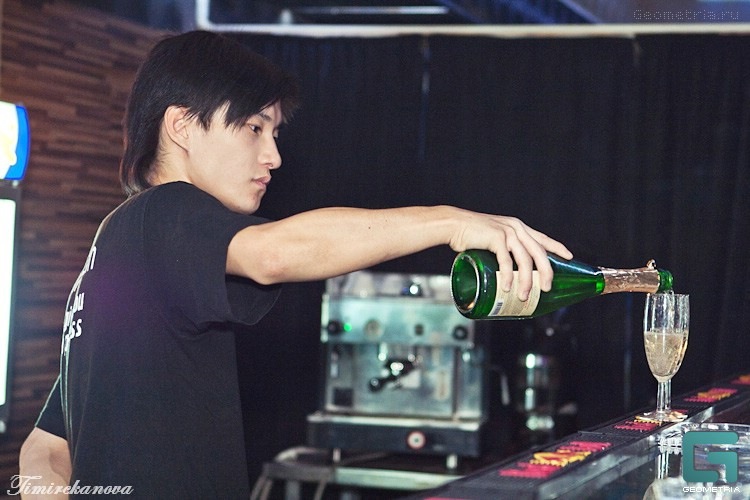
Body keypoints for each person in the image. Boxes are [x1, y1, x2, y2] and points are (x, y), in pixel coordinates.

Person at [18, 30, 572, 498]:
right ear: (182, 126)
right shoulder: (166, 209)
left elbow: (45, 446)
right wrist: (450, 222)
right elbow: (274, 253)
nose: (274, 156)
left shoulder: (114, 250)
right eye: (254, 128)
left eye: (275, 133)